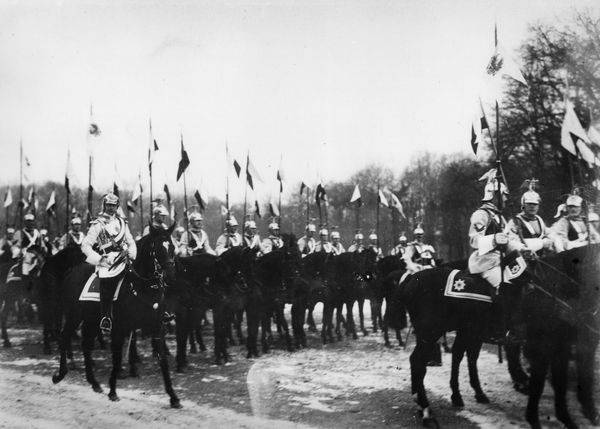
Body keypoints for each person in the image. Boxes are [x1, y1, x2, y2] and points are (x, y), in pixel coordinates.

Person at [81, 193, 137, 333]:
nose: (111, 208)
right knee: (108, 281)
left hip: (124, 258)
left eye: (114, 205)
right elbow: (85, 245)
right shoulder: (98, 224)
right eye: (108, 205)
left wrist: (132, 253)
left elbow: (131, 242)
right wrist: (99, 259)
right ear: (104, 206)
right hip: (107, 261)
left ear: (117, 206)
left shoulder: (123, 223)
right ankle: (106, 317)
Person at [506, 186, 555, 256]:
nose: (532, 207)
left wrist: (550, 240)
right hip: (523, 258)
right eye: (529, 204)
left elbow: (548, 233)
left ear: (538, 206)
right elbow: (510, 241)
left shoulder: (539, 220)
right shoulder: (515, 221)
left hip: (541, 257)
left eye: (535, 204)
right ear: (523, 205)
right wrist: (522, 248)